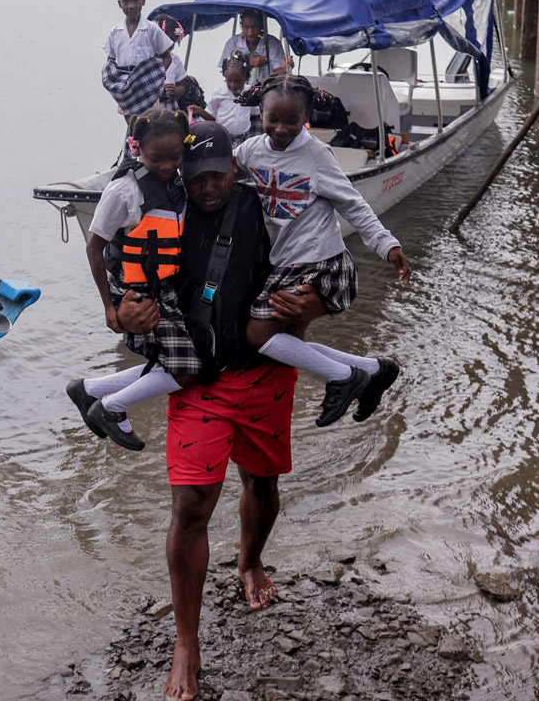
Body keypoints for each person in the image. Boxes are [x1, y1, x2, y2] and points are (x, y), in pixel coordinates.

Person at [112, 126, 326, 701]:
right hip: (199, 381)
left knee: (262, 479)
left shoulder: (268, 206)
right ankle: (187, 641)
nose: (209, 187)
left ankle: (250, 560)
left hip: (263, 371)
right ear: (180, 171)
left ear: (237, 166)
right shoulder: (162, 214)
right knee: (189, 504)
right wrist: (124, 313)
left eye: (219, 174)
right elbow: (123, 277)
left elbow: (326, 260)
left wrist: (317, 301)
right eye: (196, 175)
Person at [235, 74, 410, 426]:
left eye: (292, 121)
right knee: (285, 343)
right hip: (283, 262)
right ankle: (373, 370)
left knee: (258, 334)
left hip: (318, 260)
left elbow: (354, 204)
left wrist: (387, 245)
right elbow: (224, 167)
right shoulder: (251, 150)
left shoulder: (316, 155)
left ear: (307, 117)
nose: (281, 128)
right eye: (272, 119)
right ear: (261, 113)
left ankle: (344, 378)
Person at [68, 108, 199, 451]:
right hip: (133, 291)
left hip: (163, 287)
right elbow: (94, 248)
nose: (168, 165)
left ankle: (91, 390)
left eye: (176, 157)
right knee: (185, 370)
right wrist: (110, 307)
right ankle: (111, 408)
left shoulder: (176, 183)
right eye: (158, 159)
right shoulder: (125, 191)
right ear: (136, 148)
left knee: (173, 361)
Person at [102, 0, 175, 120]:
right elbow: (110, 62)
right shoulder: (116, 32)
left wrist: (155, 79)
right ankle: (132, 143)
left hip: (147, 87)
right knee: (132, 124)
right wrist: (117, 85)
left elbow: (167, 57)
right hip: (126, 89)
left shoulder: (151, 29)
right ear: (119, 3)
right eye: (126, 2)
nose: (131, 6)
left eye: (136, 0)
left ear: (143, 1)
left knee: (149, 124)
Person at [187, 50, 251, 145]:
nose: (233, 85)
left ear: (246, 77)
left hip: (243, 139)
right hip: (222, 137)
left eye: (238, 81)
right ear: (225, 75)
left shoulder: (249, 92)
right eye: (229, 80)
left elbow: (257, 112)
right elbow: (213, 119)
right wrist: (200, 111)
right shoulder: (219, 94)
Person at [217, 9, 293, 86]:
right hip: (238, 89)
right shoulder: (233, 42)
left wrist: (284, 68)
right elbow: (225, 70)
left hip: (266, 89)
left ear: (261, 25)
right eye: (246, 27)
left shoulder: (272, 43)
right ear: (242, 26)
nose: (250, 32)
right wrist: (248, 63)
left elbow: (279, 75)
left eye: (255, 27)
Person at [154, 15, 188, 111]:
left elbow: (182, 85)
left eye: (174, 41)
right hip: (149, 106)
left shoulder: (175, 59)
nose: (171, 44)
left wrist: (175, 90)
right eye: (168, 40)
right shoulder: (147, 58)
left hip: (169, 106)